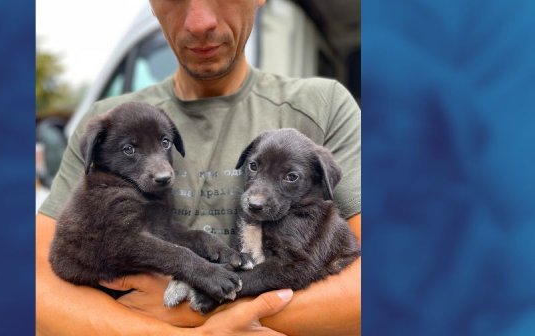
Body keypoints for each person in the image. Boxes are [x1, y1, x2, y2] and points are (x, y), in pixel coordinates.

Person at [36, 0, 361, 334]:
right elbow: (35, 286)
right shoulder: (107, 125)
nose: (199, 22)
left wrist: (207, 317)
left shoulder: (323, 106)